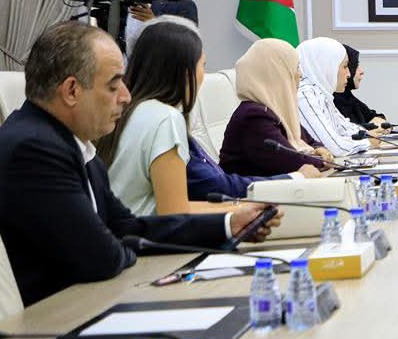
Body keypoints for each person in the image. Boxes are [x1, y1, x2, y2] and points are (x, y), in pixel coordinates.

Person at [0, 22, 280, 307]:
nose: (126, 96)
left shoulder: (75, 145)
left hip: (93, 299)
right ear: (72, 91)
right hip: (58, 317)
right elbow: (101, 257)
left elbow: (126, 226)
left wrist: (229, 224)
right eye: (113, 85)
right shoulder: (33, 150)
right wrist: (124, 244)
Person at [97, 21, 318, 212]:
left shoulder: (133, 113)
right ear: (184, 72)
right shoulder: (164, 118)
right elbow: (200, 194)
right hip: (158, 239)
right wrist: (293, 180)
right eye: (203, 65)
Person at [219, 39, 331, 177]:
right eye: (296, 67)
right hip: (251, 190)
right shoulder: (254, 117)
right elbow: (292, 162)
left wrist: (320, 149)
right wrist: (323, 159)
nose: (300, 74)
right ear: (277, 73)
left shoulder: (275, 110)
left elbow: (310, 141)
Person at [297, 37, 371, 156]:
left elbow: (345, 128)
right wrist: (368, 142)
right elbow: (333, 147)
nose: (348, 74)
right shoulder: (305, 95)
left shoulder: (322, 93)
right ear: (327, 66)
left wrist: (369, 135)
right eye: (345, 66)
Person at [334, 44, 387, 130]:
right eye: (355, 65)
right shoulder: (332, 101)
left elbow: (375, 118)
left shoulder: (347, 96)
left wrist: (379, 125)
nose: (361, 71)